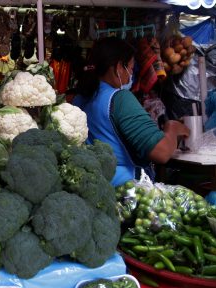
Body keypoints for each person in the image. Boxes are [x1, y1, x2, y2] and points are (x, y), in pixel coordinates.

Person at [73, 37, 190, 186]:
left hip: (95, 186)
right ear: (118, 67)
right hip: (127, 192)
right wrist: (172, 128)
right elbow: (161, 152)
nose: (131, 76)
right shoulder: (120, 99)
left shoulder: (80, 98)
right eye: (130, 68)